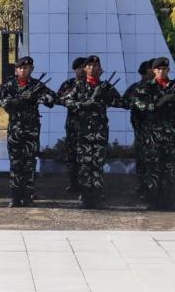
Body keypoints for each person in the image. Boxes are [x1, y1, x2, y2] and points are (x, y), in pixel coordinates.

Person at [0, 57, 56, 207]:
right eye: (20, 68)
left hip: (31, 130)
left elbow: (52, 98)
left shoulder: (37, 85)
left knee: (30, 163)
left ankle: (28, 196)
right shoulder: (9, 84)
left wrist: (38, 97)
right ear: (16, 69)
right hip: (15, 129)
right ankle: (15, 197)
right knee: (15, 163)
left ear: (31, 69)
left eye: (27, 68)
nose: (23, 70)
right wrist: (10, 102)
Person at [60, 55, 122, 209]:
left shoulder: (106, 87)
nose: (93, 68)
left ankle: (98, 197)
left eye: (96, 65)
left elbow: (121, 102)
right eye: (90, 65)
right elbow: (64, 100)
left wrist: (106, 97)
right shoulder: (78, 86)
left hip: (100, 132)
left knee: (98, 165)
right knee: (85, 166)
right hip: (83, 133)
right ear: (85, 68)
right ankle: (86, 198)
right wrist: (83, 105)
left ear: (99, 68)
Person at [130, 57, 175, 210]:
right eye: (158, 69)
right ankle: (153, 201)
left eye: (164, 69)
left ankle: (169, 201)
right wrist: (157, 105)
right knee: (153, 169)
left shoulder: (173, 86)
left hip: (171, 135)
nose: (161, 71)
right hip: (152, 137)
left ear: (168, 70)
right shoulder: (145, 87)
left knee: (170, 170)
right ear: (154, 70)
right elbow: (136, 103)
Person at [123, 59, 155, 199]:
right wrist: (137, 102)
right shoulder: (135, 87)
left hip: (161, 131)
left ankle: (155, 188)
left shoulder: (162, 87)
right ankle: (144, 185)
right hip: (142, 130)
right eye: (151, 68)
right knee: (143, 159)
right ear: (144, 71)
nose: (154, 71)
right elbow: (123, 102)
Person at [57, 57, 86, 193]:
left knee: (88, 157)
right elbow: (59, 99)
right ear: (74, 70)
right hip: (73, 124)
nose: (81, 70)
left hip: (91, 127)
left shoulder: (94, 84)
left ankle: (88, 184)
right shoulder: (68, 84)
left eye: (83, 67)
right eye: (78, 68)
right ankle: (73, 182)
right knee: (72, 155)